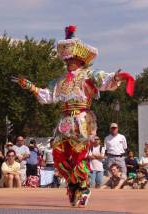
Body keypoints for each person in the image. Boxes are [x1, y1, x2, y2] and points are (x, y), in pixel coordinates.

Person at [13, 25, 134, 207]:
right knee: (59, 155)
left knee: (78, 157)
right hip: (64, 121)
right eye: (67, 59)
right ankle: (73, 184)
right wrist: (30, 86)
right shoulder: (60, 80)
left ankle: (83, 186)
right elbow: (47, 96)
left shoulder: (88, 75)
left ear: (80, 61)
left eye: (72, 59)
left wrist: (117, 77)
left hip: (82, 120)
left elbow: (105, 80)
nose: (68, 61)